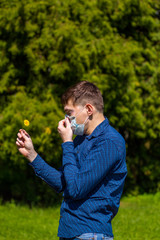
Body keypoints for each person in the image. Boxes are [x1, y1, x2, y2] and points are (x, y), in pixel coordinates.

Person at [16, 81, 127, 240]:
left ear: (89, 109)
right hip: (71, 231)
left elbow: (76, 189)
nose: (66, 120)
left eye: (69, 113)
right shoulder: (81, 140)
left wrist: (67, 142)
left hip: (90, 232)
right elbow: (63, 182)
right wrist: (32, 155)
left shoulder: (109, 142)